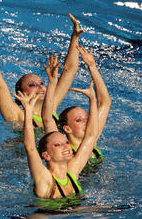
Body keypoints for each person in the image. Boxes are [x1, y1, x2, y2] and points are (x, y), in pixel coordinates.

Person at [14, 54, 98, 199]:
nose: (66, 146)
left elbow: (90, 135)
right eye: (58, 145)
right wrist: (28, 111)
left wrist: (92, 99)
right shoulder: (44, 180)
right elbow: (30, 147)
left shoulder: (72, 171)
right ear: (46, 155)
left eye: (65, 142)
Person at [0, 14, 84, 128]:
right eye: (32, 85)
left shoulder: (51, 106)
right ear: (21, 93)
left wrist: (75, 38)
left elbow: (69, 71)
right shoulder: (17, 115)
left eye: (42, 83)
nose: (40, 87)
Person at [57, 46, 111, 162]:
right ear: (67, 129)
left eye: (87, 118)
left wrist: (92, 66)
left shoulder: (92, 140)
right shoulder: (65, 154)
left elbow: (105, 102)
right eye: (79, 120)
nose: (86, 122)